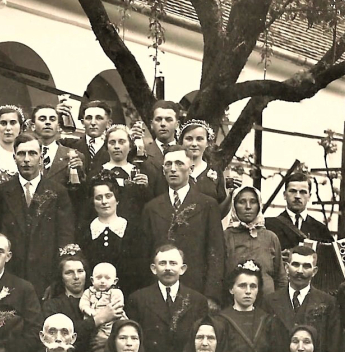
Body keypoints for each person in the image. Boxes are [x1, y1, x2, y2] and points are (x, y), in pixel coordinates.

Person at [0, 132, 77, 298]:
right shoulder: (2, 192)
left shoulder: (58, 192)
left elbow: (65, 237)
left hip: (46, 279)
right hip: (10, 277)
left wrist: (56, 281)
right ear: (14, 157)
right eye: (21, 154)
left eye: (32, 153)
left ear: (41, 158)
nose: (26, 159)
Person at [139, 144, 225, 304]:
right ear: (163, 170)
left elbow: (216, 253)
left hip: (196, 291)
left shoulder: (207, 205)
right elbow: (144, 256)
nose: (173, 169)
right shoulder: (151, 208)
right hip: (158, 292)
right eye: (168, 164)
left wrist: (211, 296)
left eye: (179, 163)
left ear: (191, 169)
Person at [125, 244, 209, 352]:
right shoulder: (138, 299)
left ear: (182, 269)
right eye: (162, 263)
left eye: (173, 263)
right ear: (154, 268)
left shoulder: (197, 300)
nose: (168, 268)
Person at [265, 169, 343, 294]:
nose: (297, 196)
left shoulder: (320, 229)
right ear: (284, 195)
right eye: (292, 191)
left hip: (311, 293)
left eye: (302, 192)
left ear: (309, 196)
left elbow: (331, 266)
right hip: (279, 292)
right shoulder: (270, 225)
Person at [262, 245, 341, 352]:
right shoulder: (269, 301)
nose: (300, 271)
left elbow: (333, 347)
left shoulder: (328, 303)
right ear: (286, 268)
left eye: (306, 266)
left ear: (314, 271)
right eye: (295, 264)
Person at [76, 178, 145, 297]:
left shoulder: (133, 230)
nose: (104, 202)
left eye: (108, 196)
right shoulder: (85, 231)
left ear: (117, 200)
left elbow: (139, 271)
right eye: (98, 198)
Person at [212, 261, 280, 352]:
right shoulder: (220, 321)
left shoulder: (268, 320)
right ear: (231, 289)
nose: (248, 291)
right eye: (242, 286)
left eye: (253, 286)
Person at [87, 124, 162, 224]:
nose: (117, 146)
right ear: (106, 147)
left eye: (122, 142)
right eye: (112, 142)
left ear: (130, 146)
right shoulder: (96, 173)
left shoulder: (141, 172)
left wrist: (146, 189)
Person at [41, 248, 105, 352]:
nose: (76, 277)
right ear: (61, 277)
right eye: (69, 272)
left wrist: (109, 340)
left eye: (80, 271)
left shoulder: (103, 298)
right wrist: (97, 320)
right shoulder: (53, 305)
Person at [224, 184, 285, 298]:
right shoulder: (225, 236)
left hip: (267, 302)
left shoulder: (271, 237)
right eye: (242, 202)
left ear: (259, 205)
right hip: (234, 302)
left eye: (253, 202)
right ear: (234, 206)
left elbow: (281, 278)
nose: (248, 207)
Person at [178, 119, 234, 215]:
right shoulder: (173, 170)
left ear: (208, 143)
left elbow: (220, 210)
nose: (194, 144)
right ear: (181, 141)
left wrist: (231, 194)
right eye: (189, 139)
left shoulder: (215, 171)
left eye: (199, 139)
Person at [29, 104, 85, 188]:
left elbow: (79, 191)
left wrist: (80, 173)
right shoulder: (24, 153)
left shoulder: (74, 156)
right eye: (42, 119)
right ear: (33, 126)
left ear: (58, 126)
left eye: (52, 119)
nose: (48, 122)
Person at [78, 262, 127, 352]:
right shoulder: (88, 292)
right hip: (94, 322)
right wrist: (89, 311)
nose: (102, 281)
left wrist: (103, 315)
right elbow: (83, 303)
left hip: (111, 323)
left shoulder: (116, 292)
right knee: (95, 342)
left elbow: (116, 308)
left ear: (115, 281)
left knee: (110, 338)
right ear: (92, 280)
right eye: (99, 278)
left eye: (107, 278)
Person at [128, 100, 183, 173]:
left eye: (168, 120)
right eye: (158, 119)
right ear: (151, 124)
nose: (163, 124)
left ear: (177, 124)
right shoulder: (141, 153)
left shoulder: (185, 152)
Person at [64, 99, 113, 175]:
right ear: (83, 122)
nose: (93, 123)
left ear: (108, 123)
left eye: (99, 118)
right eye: (88, 118)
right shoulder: (69, 145)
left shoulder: (114, 150)